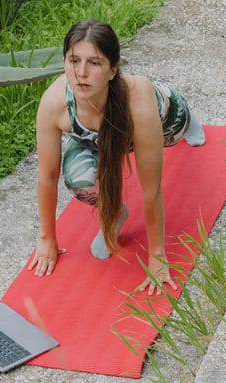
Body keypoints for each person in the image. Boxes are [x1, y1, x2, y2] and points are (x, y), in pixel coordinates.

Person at [27, 20, 205, 295]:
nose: (82, 73)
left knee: (177, 132)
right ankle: (115, 212)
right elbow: (47, 176)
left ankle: (189, 117)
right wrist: (47, 239)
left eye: (94, 63)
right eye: (74, 60)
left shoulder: (139, 101)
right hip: (96, 139)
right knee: (79, 179)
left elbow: (151, 189)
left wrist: (157, 257)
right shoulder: (55, 103)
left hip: (161, 120)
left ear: (113, 70)